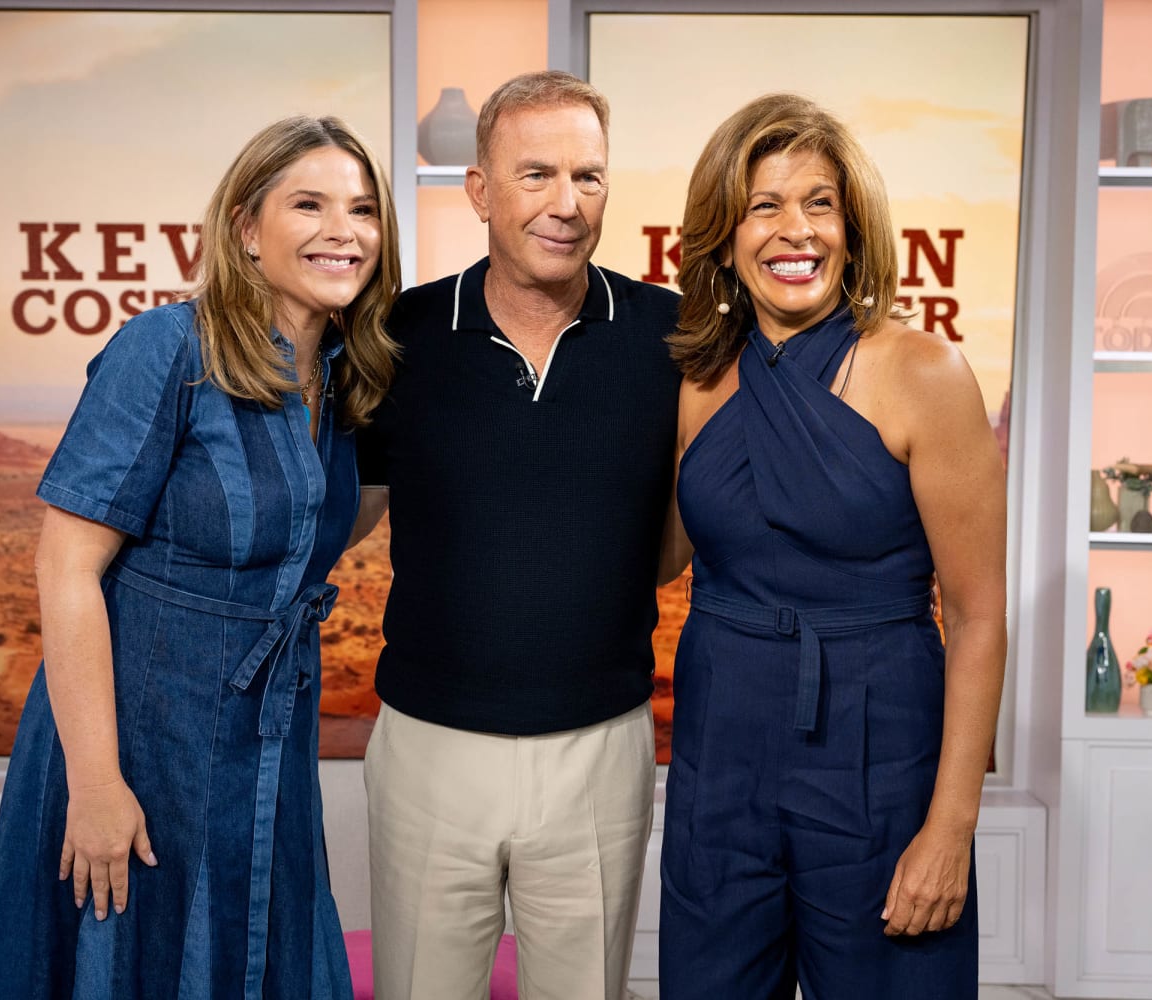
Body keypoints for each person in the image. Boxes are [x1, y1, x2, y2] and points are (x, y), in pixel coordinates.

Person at [0, 114, 401, 1000]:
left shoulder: (346, 374)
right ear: (246, 229)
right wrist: (96, 785)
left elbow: (308, 530)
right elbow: (66, 565)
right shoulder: (167, 348)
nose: (343, 231)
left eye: (362, 210)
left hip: (267, 735)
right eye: (309, 204)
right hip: (141, 736)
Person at [657, 93, 1007, 998]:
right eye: (763, 206)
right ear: (723, 236)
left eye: (820, 203)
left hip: (876, 751)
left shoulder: (924, 373)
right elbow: (653, 561)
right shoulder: (696, 378)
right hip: (719, 753)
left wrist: (951, 829)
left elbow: (977, 618)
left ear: (853, 230)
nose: (796, 230)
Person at [354, 71, 682, 1000]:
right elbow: (342, 510)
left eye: (588, 177)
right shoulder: (397, 334)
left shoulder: (671, 335)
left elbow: (681, 533)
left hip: (600, 747)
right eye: (536, 174)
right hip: (429, 746)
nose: (566, 203)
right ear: (479, 190)